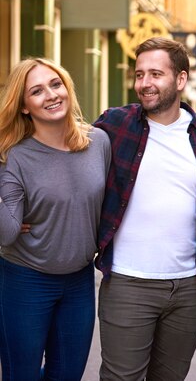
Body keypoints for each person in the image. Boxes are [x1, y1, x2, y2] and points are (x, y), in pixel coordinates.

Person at [94, 37, 196, 381]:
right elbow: (67, 154)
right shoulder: (115, 125)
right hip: (128, 283)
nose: (145, 83)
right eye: (139, 74)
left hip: (188, 287)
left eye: (155, 74)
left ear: (180, 79)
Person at [0, 58, 111, 380]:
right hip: (25, 279)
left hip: (78, 279)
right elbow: (7, 232)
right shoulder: (14, 155)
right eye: (36, 91)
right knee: (22, 375)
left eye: (55, 84)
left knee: (68, 374)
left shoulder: (98, 143)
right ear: (23, 106)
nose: (50, 95)